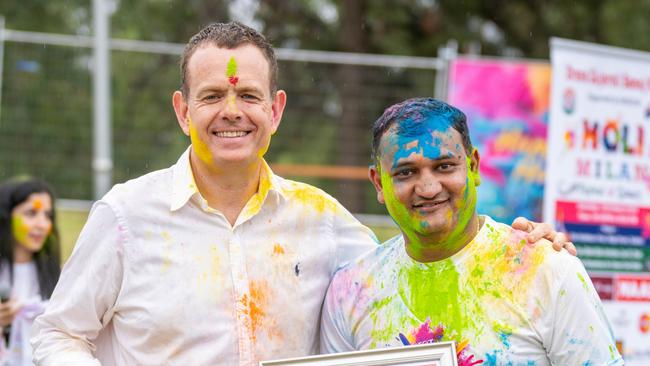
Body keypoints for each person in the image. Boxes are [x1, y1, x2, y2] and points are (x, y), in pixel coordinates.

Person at [31, 23, 572, 366]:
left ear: (276, 109)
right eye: (213, 95)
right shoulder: (126, 216)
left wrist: (511, 248)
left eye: (248, 94)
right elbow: (58, 333)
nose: (232, 111)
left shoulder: (322, 221)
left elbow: (409, 268)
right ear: (182, 110)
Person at [320, 98, 623, 365]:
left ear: (473, 167)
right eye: (405, 173)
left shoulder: (546, 270)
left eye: (444, 167)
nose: (427, 188)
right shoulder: (351, 291)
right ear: (378, 184)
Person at [0, 178, 61, 365]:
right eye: (31, 213)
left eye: (47, 215)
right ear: (6, 216)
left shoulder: (60, 276)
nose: (42, 224)